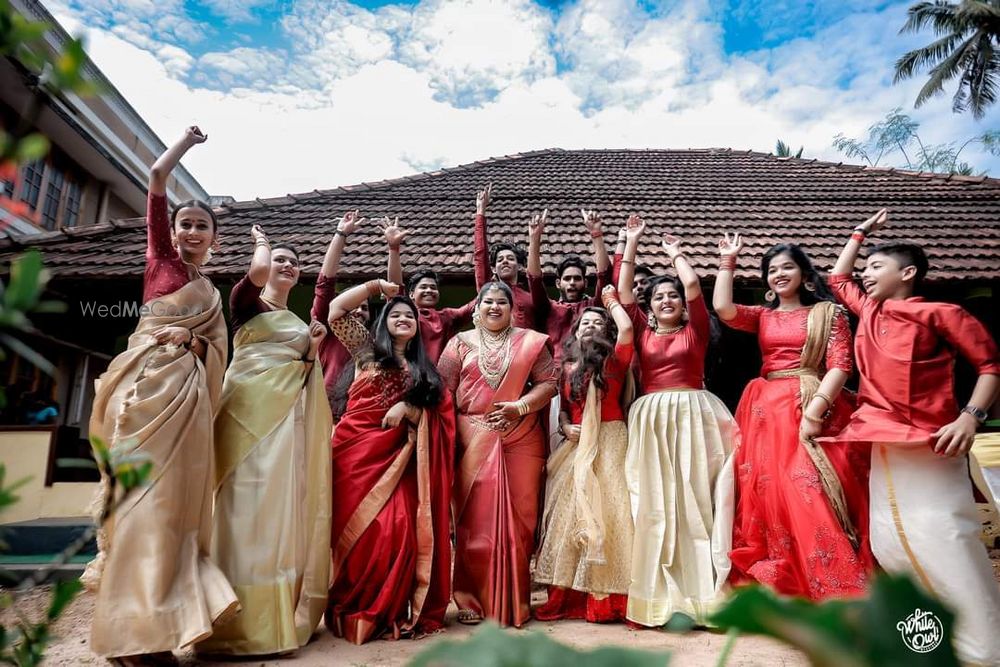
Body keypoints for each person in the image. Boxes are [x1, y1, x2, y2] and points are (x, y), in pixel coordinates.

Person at [83, 126, 238, 665]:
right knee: (140, 506)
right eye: (186, 223)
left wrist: (191, 337)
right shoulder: (161, 264)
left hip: (190, 404)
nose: (193, 231)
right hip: (146, 396)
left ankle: (165, 626)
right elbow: (155, 177)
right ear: (171, 230)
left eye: (202, 226)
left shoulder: (211, 293)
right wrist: (187, 144)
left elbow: (216, 348)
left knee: (177, 512)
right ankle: (131, 631)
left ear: (215, 238)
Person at [825, 209, 1000, 665]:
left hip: (932, 439)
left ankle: (983, 649)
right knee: (891, 540)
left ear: (908, 272)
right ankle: (925, 641)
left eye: (875, 267)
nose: (865, 275)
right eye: (866, 269)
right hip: (881, 438)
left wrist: (970, 417)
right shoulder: (871, 309)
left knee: (943, 535)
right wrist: (860, 232)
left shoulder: (942, 312)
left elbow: (989, 366)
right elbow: (838, 278)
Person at [196, 227, 332, 656]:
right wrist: (261, 242)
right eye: (281, 261)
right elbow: (255, 270)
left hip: (285, 420)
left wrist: (311, 349)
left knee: (279, 510)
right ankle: (228, 623)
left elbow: (306, 368)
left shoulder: (295, 321)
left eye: (294, 263)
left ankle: (273, 625)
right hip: (244, 415)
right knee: (239, 509)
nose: (287, 266)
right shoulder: (244, 304)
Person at [713, 235, 873, 599]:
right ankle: (789, 583)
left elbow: (840, 366)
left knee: (809, 488)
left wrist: (815, 411)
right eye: (772, 270)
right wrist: (728, 261)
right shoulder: (764, 316)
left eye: (787, 267)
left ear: (805, 274)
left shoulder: (827, 314)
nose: (779, 274)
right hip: (767, 412)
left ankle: (835, 584)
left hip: (811, 404)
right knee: (772, 495)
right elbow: (723, 307)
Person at [617, 214, 736, 626]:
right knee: (653, 503)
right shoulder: (641, 332)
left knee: (698, 503)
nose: (667, 300)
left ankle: (706, 597)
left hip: (695, 415)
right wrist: (631, 243)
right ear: (649, 308)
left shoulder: (697, 331)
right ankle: (660, 599)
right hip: (651, 418)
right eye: (658, 297)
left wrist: (675, 253)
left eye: (672, 296)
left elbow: (691, 287)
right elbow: (623, 293)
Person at [324, 280, 456, 644]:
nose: (403, 319)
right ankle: (353, 606)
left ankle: (388, 611)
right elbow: (335, 310)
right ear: (383, 322)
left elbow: (442, 414)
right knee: (359, 533)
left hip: (400, 460)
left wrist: (410, 407)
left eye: (409, 316)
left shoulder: (425, 372)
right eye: (395, 314)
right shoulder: (366, 351)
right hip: (354, 456)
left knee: (397, 531)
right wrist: (374, 286)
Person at [438, 281, 557, 627]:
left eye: (501, 302)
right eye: (487, 301)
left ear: (511, 308)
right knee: (472, 522)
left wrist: (520, 406)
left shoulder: (530, 342)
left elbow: (550, 382)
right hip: (471, 437)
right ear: (476, 308)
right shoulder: (458, 344)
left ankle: (515, 597)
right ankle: (471, 597)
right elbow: (444, 393)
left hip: (521, 437)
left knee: (520, 522)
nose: (494, 307)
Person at [534, 287, 634, 623]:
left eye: (597, 323)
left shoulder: (616, 360)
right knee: (569, 518)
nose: (589, 326)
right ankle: (567, 596)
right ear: (575, 332)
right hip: (577, 447)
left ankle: (609, 601)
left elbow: (629, 329)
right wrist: (564, 427)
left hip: (610, 441)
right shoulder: (567, 367)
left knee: (613, 515)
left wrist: (609, 303)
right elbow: (562, 410)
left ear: (606, 332)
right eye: (584, 323)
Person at [385, 219, 475, 364]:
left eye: (433, 287)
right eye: (424, 287)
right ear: (411, 294)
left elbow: (479, 303)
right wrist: (393, 248)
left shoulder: (448, 317)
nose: (429, 290)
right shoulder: (406, 315)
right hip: (409, 378)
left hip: (440, 382)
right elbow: (394, 286)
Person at [311, 210, 372, 407]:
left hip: (360, 419)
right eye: (353, 307)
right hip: (323, 414)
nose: (359, 311)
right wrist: (341, 234)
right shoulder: (328, 329)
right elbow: (324, 284)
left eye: (365, 308)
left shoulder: (371, 343)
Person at [473, 184, 537, 329]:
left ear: (520, 266)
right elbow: (480, 256)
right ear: (494, 269)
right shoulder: (488, 289)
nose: (505, 262)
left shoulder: (531, 297)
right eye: (500, 260)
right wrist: (480, 211)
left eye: (510, 258)